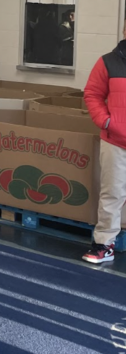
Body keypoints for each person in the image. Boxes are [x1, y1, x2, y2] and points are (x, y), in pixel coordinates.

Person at [82, 21, 126, 264]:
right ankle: (104, 245)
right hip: (116, 141)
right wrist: (107, 122)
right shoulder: (108, 61)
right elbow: (92, 94)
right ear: (124, 31)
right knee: (112, 193)